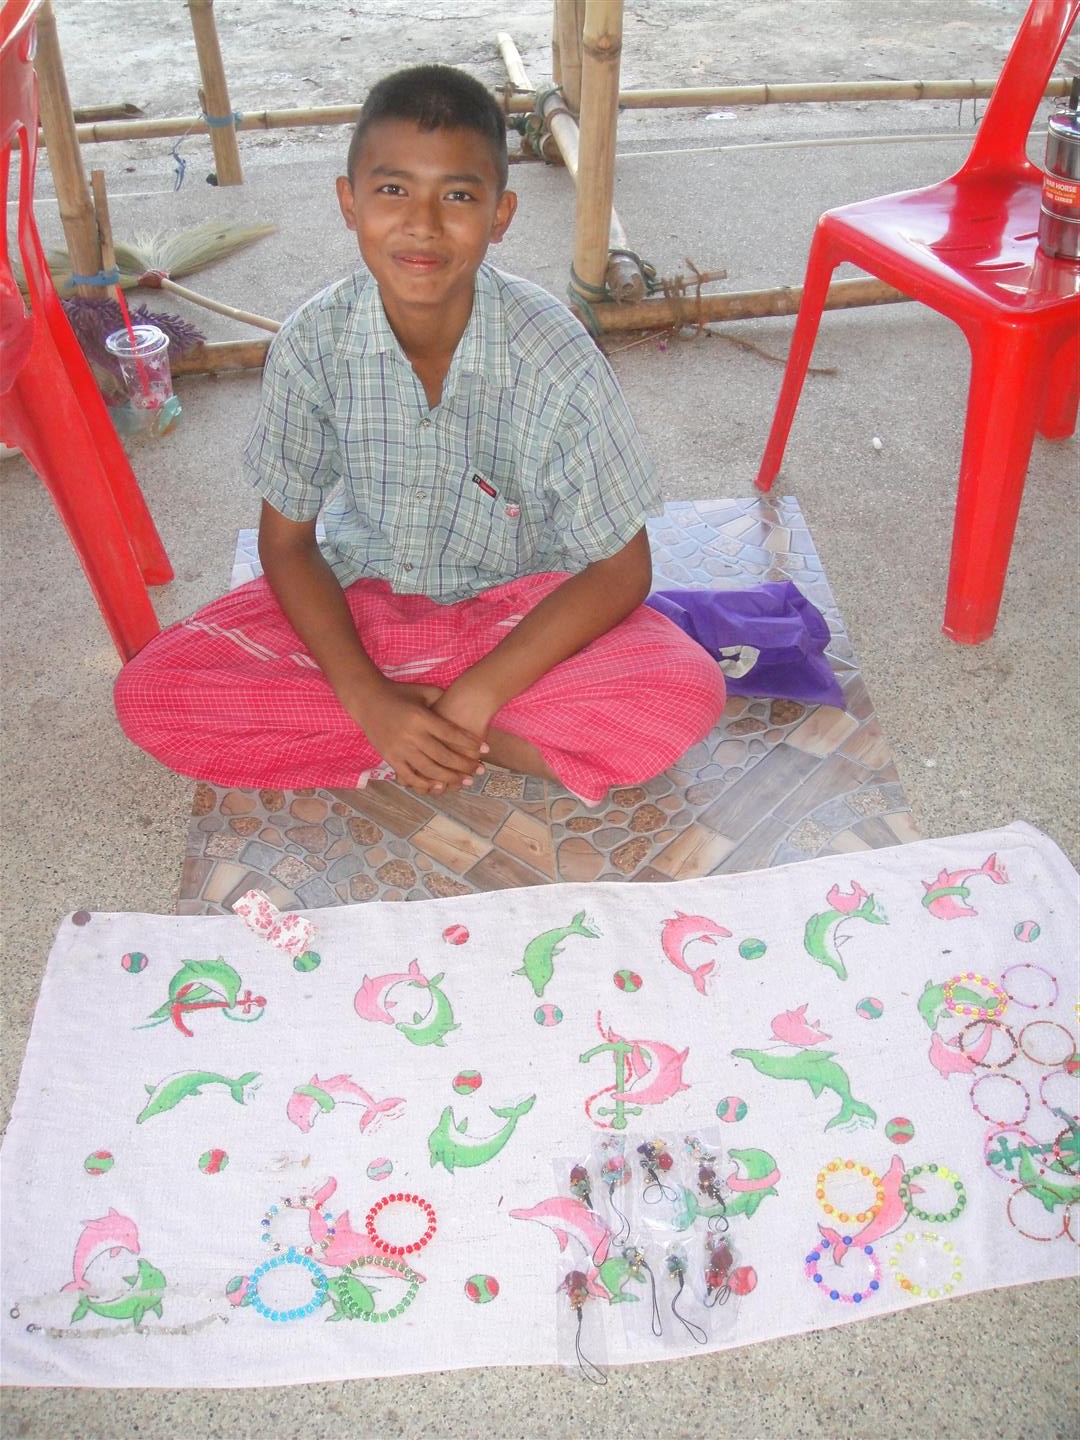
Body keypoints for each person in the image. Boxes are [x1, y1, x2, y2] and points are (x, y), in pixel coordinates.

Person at [115, 64, 725, 805]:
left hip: (520, 616)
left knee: (684, 690)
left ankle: (437, 733)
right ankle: (426, 731)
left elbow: (621, 572)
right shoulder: (314, 343)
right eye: (393, 190)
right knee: (152, 692)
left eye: (458, 196)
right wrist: (368, 698)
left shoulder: (555, 357)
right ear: (349, 202)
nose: (423, 225)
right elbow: (288, 545)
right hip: (365, 607)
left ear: (500, 215)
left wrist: (474, 695)